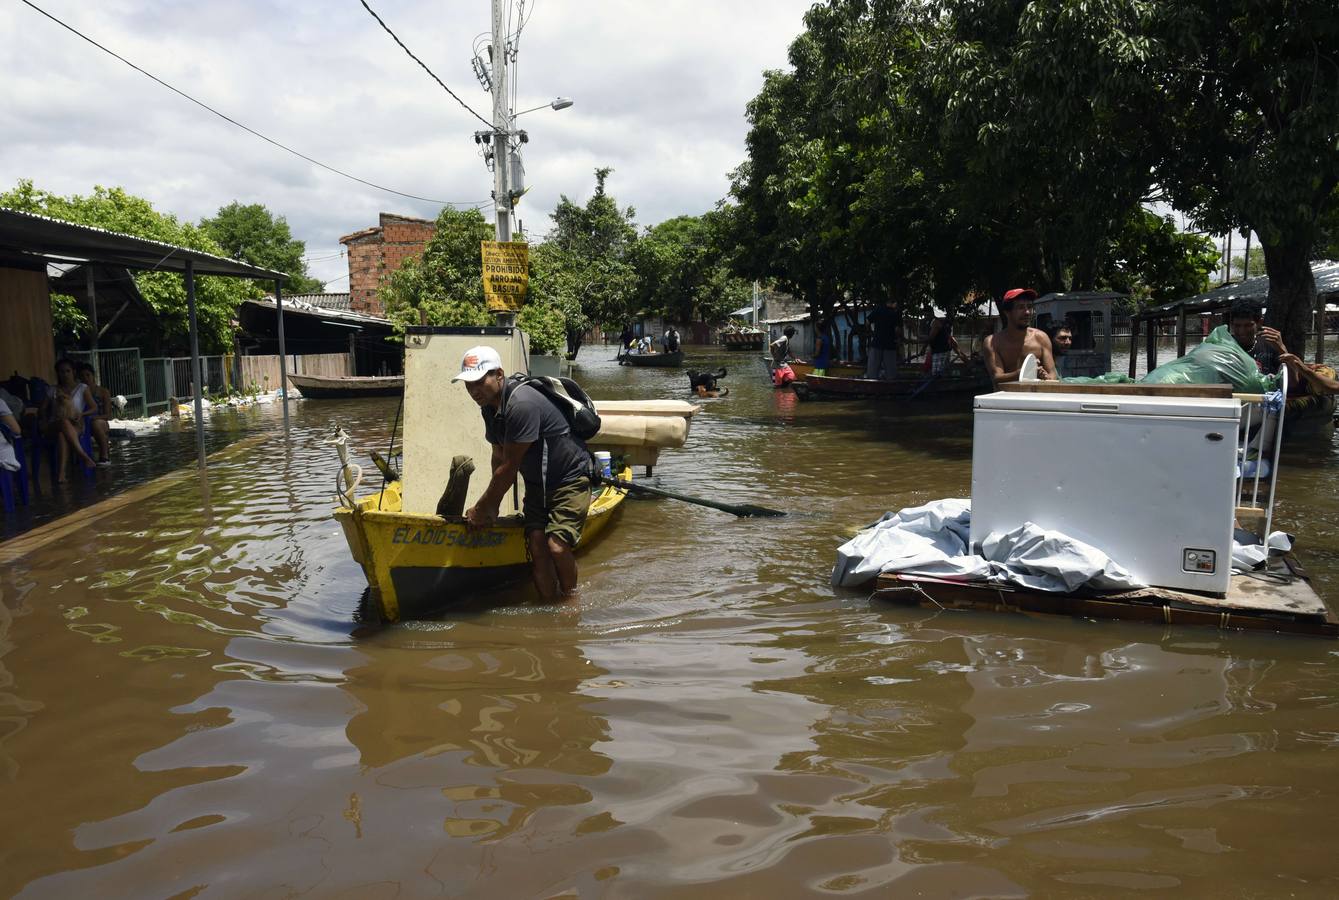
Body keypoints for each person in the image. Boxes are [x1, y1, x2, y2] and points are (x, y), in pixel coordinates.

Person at [457, 346, 592, 603]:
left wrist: (482, 507)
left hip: (569, 480)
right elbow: (498, 457)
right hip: (537, 486)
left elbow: (509, 467)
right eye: (468, 383)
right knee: (538, 548)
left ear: (499, 375)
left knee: (556, 546)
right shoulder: (489, 407)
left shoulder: (522, 404)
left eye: (479, 381)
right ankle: (548, 606)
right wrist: (492, 508)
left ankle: (572, 603)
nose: (474, 390)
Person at [981, 288, 1059, 384]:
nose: (1027, 312)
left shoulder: (1041, 338)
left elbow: (1053, 374)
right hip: (1005, 398)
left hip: (1035, 397)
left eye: (1029, 307)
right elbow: (996, 377)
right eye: (1021, 307)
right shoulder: (992, 342)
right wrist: (1024, 373)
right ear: (1007, 312)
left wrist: (1046, 377)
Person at [39, 357, 97, 480]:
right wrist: (43, 420)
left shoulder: (82, 388)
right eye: (61, 372)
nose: (65, 374)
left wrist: (82, 414)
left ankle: (61, 474)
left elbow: (93, 408)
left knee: (62, 435)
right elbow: (43, 408)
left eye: (67, 371)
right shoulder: (52, 390)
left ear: (73, 372)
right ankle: (83, 456)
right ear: (58, 374)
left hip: (76, 424)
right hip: (54, 424)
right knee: (63, 423)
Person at [1228, 299, 1286, 375]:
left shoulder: (1270, 347)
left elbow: (1292, 383)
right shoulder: (1223, 348)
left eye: (1248, 325)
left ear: (1259, 323)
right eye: (1237, 325)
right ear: (1231, 324)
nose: (1242, 331)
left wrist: (1282, 349)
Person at [75, 361, 112, 464]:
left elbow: (108, 415)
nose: (85, 378)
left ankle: (104, 456)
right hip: (82, 421)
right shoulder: (79, 392)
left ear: (93, 376)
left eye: (88, 375)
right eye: (82, 376)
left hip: (100, 421)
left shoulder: (103, 392)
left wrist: (93, 418)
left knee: (95, 424)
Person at [864, 296, 903, 380]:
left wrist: (870, 332)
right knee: (890, 373)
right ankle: (889, 388)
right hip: (889, 345)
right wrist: (898, 338)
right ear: (894, 303)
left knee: (872, 372)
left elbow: (867, 322)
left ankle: (871, 387)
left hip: (876, 343)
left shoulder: (878, 309)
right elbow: (897, 330)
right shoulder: (896, 313)